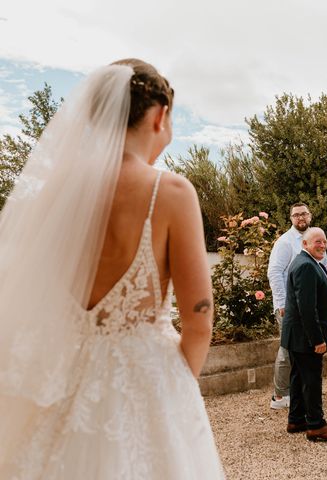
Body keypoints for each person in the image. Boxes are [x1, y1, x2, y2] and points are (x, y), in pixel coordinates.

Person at [0, 59, 225, 478]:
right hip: (146, 380)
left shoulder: (55, 194)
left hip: (62, 378)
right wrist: (174, 390)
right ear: (159, 115)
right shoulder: (171, 191)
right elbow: (200, 320)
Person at [280, 227, 327, 441]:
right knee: (311, 380)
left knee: (299, 378)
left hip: (297, 335)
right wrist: (317, 339)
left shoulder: (309, 263)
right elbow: (306, 308)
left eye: (325, 242)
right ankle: (316, 425)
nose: (323, 245)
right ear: (305, 244)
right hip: (305, 337)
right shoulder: (306, 266)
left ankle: (296, 419)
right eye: (317, 241)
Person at [267, 202, 327, 409]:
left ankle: (298, 393)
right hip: (290, 307)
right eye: (296, 215)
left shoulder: (316, 239)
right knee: (287, 349)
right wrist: (282, 302)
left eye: (304, 214)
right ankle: (279, 396)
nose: (300, 218)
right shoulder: (285, 242)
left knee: (301, 350)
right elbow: (275, 272)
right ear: (291, 218)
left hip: (309, 307)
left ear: (310, 216)